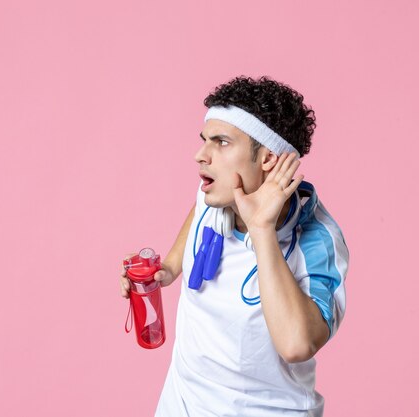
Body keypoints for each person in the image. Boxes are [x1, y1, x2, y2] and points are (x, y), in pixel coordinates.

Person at [119, 76, 349, 417]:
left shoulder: (317, 242)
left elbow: (297, 345)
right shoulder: (213, 194)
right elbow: (198, 210)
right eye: (204, 141)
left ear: (268, 159)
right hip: (181, 404)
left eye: (221, 142)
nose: (200, 155)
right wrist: (168, 269)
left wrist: (262, 230)